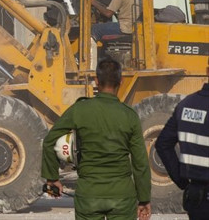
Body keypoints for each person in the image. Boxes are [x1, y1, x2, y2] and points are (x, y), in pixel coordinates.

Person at [42, 58, 151, 220]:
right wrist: (144, 199)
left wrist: (52, 178)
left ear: (96, 81)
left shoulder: (80, 110)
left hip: (89, 195)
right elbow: (140, 162)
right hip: (122, 196)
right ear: (121, 81)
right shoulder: (129, 116)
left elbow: (50, 140)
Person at [154, 54, 209, 219]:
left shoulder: (186, 105)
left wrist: (182, 180)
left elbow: (163, 144)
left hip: (196, 197)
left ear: (207, 70)